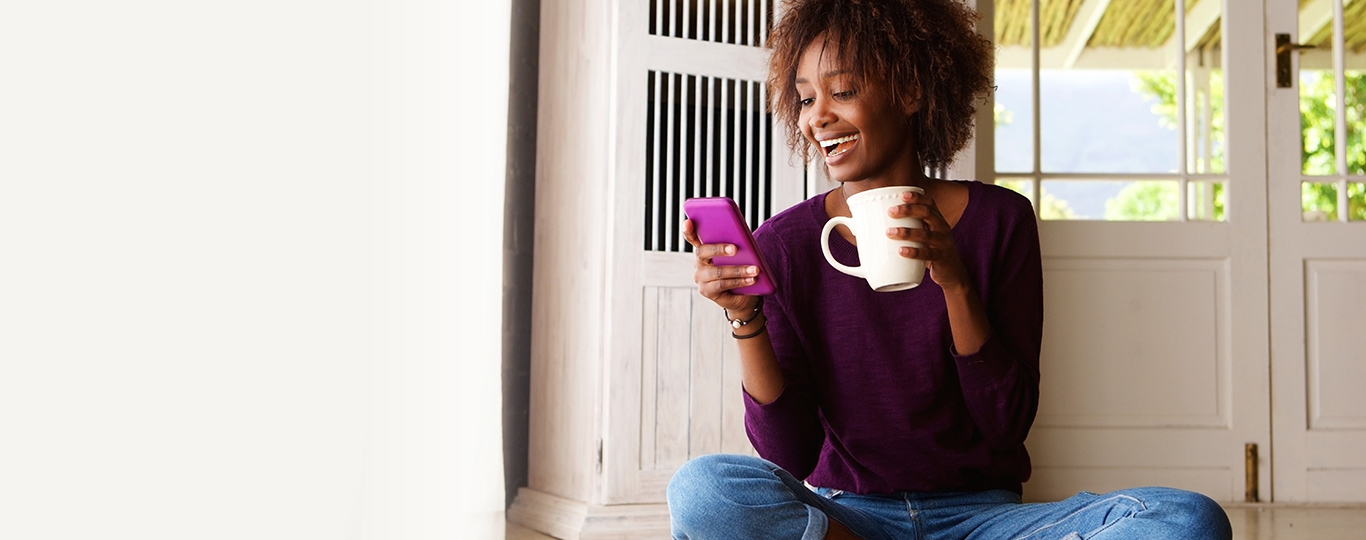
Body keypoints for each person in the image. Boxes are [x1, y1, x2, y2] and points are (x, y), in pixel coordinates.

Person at [667, 0, 1234, 539]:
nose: (818, 118)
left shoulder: (1000, 220)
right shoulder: (786, 244)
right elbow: (788, 454)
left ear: (910, 90)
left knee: (1186, 520)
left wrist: (954, 278)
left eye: (841, 91)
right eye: (805, 98)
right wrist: (746, 319)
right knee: (702, 492)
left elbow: (1006, 423)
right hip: (851, 518)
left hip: (984, 519)